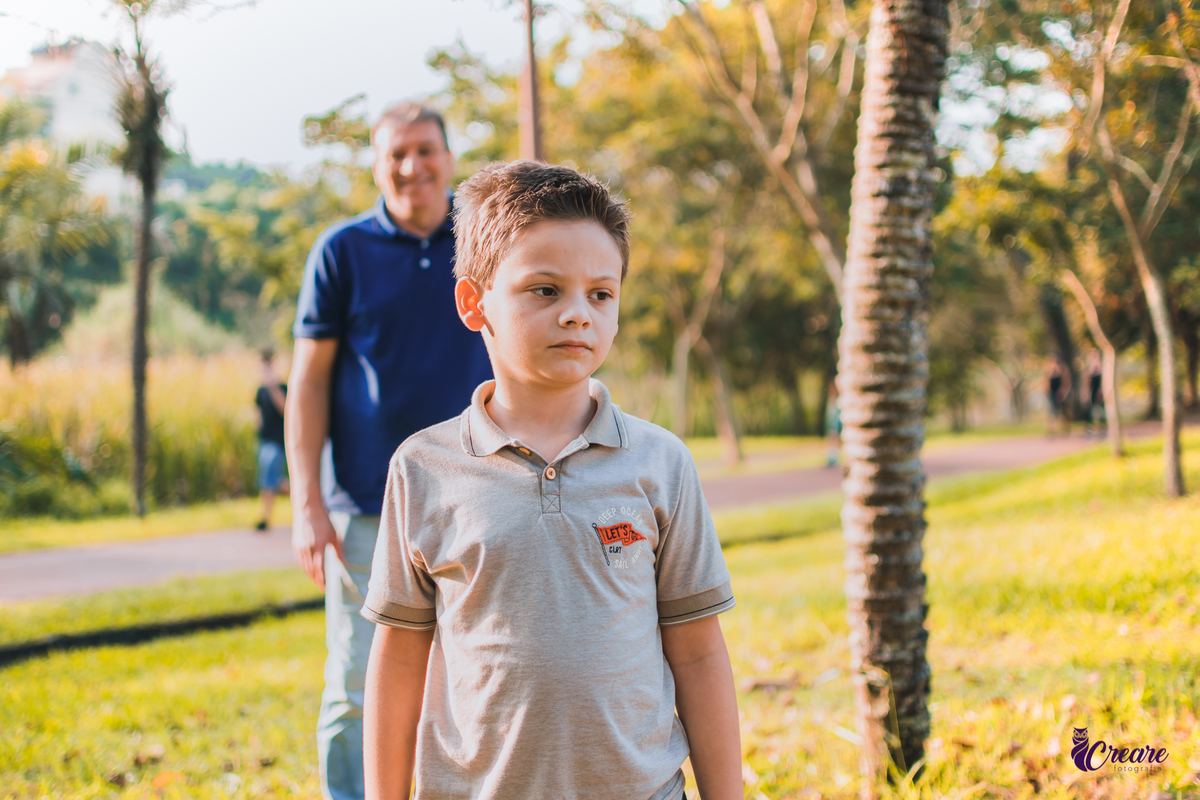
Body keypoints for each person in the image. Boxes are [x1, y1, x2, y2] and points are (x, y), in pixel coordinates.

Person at [361, 162, 742, 800]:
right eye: (544, 290)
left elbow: (699, 652)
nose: (577, 315)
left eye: (601, 293)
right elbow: (398, 658)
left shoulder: (660, 463)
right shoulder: (423, 468)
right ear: (473, 302)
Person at [286, 103, 492, 800]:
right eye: (396, 153)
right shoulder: (342, 251)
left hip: (480, 495)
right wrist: (306, 504)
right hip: (366, 506)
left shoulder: (486, 238)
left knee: (475, 672)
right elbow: (308, 383)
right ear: (377, 163)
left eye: (425, 150)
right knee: (354, 681)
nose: (412, 166)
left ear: (449, 155)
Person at [254, 349, 288, 531]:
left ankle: (264, 518)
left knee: (272, 481)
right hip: (264, 441)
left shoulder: (281, 387)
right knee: (268, 481)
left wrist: (273, 385)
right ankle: (265, 518)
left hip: (277, 441)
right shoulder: (260, 391)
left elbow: (285, 409)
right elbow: (258, 413)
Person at [1046, 354, 1072, 436]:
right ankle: (1052, 430)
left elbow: (1067, 382)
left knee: (1063, 412)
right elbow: (1046, 382)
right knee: (1053, 412)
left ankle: (1065, 429)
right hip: (1052, 393)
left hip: (1061, 393)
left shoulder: (1063, 368)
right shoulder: (1049, 368)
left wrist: (1064, 392)